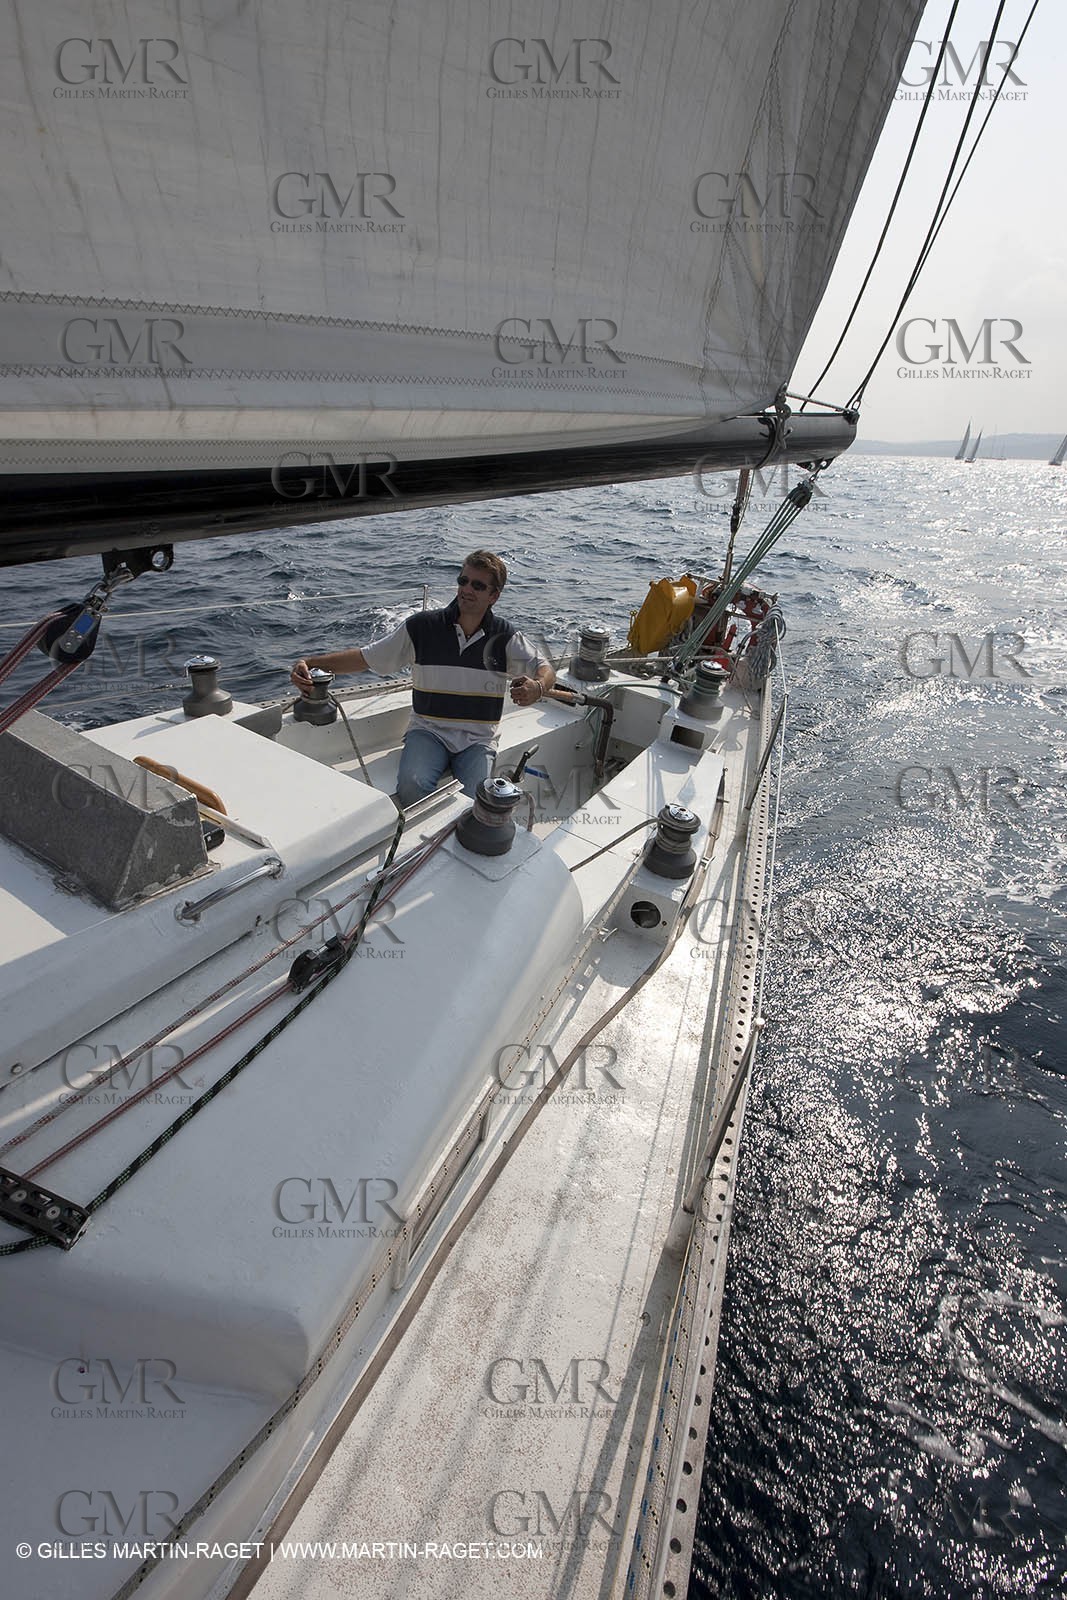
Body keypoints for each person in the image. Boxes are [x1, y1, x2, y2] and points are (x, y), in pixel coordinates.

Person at [291, 551, 555, 807]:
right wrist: (312, 662)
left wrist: (538, 687)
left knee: (479, 799)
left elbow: (545, 669)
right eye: (462, 581)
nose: (466, 589)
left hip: (478, 739)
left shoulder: (504, 636)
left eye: (477, 585)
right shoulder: (421, 627)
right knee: (412, 785)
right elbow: (365, 657)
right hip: (429, 731)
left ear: (494, 596)